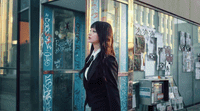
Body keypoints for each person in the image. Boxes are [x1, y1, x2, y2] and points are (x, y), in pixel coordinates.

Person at [79, 21, 121, 111]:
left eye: (94, 31)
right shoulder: (90, 58)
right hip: (90, 106)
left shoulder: (108, 60)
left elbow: (113, 91)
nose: (89, 33)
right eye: (90, 30)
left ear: (102, 35)